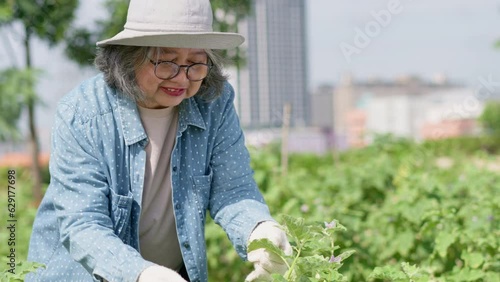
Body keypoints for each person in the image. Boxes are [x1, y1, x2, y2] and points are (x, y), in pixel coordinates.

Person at [26, 0, 292, 281]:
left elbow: (233, 189)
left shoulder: (215, 103)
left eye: (195, 63)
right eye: (167, 62)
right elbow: (82, 223)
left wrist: (259, 230)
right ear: (130, 57)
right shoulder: (82, 113)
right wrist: (141, 273)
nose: (181, 77)